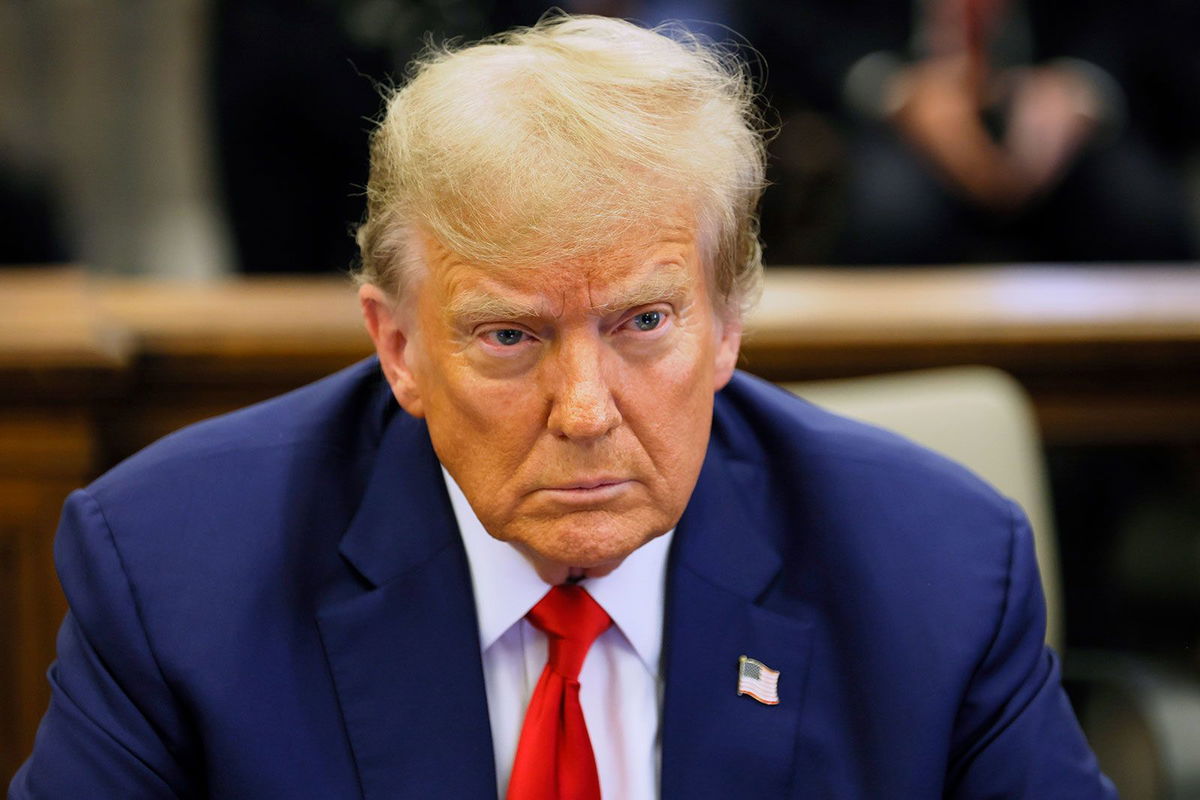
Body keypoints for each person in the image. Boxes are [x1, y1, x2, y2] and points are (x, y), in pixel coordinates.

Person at [11, 14, 1114, 799]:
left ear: (726, 323)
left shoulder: (939, 568)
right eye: (509, 335)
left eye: (642, 323)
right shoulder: (170, 570)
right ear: (397, 343)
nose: (584, 409)